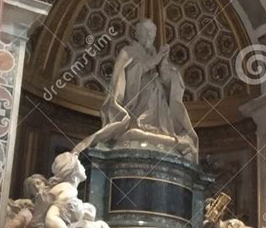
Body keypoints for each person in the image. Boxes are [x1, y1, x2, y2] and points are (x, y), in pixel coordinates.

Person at [74, 19, 198, 163]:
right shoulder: (128, 52)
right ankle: (138, 128)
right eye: (148, 32)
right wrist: (155, 60)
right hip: (136, 104)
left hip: (158, 105)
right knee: (135, 129)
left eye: (153, 33)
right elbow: (127, 76)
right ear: (139, 33)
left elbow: (169, 84)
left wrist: (164, 66)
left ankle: (158, 132)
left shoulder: (154, 54)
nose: (151, 36)